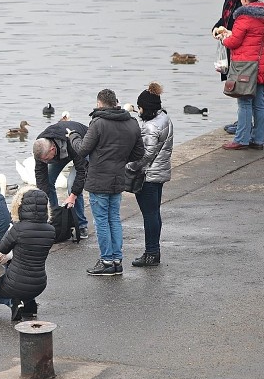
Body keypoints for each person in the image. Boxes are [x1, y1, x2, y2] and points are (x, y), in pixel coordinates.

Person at [67, 89, 145, 275]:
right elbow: (139, 153)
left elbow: (82, 150)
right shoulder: (132, 123)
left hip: (98, 179)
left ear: (100, 103)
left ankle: (106, 262)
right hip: (118, 177)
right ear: (116, 102)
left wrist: (73, 136)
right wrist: (119, 160)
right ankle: (117, 261)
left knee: (102, 220)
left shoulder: (98, 123)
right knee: (114, 219)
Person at [217, 0, 264, 151]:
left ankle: (241, 139)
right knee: (259, 103)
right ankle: (258, 140)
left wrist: (223, 38)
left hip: (245, 66)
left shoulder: (244, 17)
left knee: (244, 102)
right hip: (261, 62)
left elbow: (234, 42)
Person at [0, 186, 56, 323]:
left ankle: (13, 303)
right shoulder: (51, 230)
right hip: (40, 283)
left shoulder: (18, 229)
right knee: (26, 270)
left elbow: (2, 250)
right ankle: (29, 306)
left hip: (15, 283)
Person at [127, 82, 174, 267]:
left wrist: (129, 167)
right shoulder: (164, 118)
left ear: (145, 108)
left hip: (148, 176)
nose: (138, 111)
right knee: (154, 213)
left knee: (149, 215)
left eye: (139, 108)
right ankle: (154, 251)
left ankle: (151, 253)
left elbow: (145, 155)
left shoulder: (150, 127)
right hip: (159, 173)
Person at [33, 120, 90, 238]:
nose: (45, 163)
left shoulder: (71, 142)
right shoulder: (41, 145)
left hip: (81, 147)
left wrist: (73, 196)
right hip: (61, 153)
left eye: (46, 159)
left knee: (71, 185)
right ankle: (54, 218)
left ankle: (81, 224)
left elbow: (81, 171)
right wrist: (44, 199)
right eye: (43, 160)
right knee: (47, 181)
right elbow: (40, 174)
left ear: (52, 149)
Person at [213, 0, 244, 133]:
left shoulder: (242, 3)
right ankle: (241, 120)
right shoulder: (228, 1)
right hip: (227, 45)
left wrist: (227, 32)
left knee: (240, 86)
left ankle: (243, 124)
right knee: (236, 85)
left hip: (237, 48)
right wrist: (216, 28)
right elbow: (223, 20)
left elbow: (238, 27)